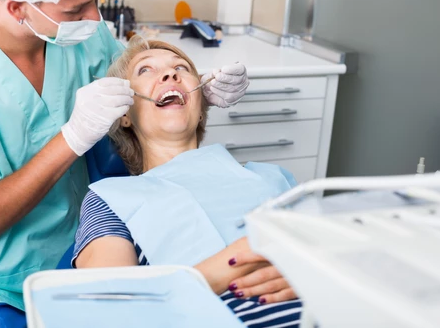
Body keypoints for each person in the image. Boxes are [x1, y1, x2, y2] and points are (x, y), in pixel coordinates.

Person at [0, 0, 250, 327]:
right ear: (17, 6)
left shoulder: (86, 34)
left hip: (81, 250)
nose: (95, 17)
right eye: (76, 8)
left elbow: (140, 90)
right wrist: (72, 138)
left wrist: (188, 91)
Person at [73, 36, 302, 328]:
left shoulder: (274, 176)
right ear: (125, 114)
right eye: (146, 70)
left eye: (181, 67)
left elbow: (346, 260)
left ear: (202, 100)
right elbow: (113, 313)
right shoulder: (109, 198)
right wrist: (235, 260)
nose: (170, 74)